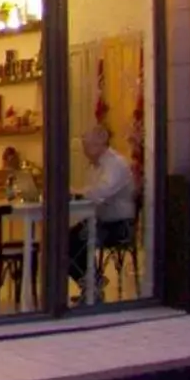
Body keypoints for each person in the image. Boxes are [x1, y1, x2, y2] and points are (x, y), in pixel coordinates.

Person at [71, 126, 137, 301]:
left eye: (87, 144)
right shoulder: (94, 167)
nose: (84, 149)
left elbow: (101, 191)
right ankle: (91, 283)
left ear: (101, 142)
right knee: (63, 240)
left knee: (76, 240)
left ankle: (93, 284)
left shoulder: (115, 164)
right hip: (100, 221)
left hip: (118, 225)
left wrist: (77, 192)